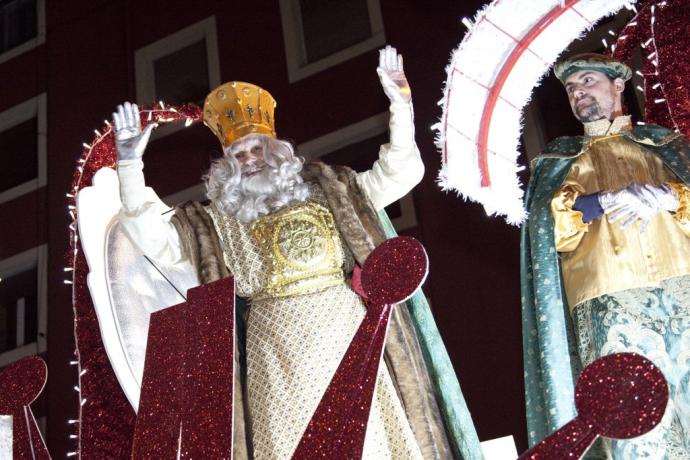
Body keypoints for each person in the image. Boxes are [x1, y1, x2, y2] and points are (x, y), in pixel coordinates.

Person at [113, 46, 481, 460]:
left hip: (345, 331)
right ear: (226, 167)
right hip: (273, 353)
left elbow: (402, 173)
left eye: (257, 150)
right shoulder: (213, 222)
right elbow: (152, 238)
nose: (250, 161)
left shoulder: (329, 189)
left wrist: (400, 106)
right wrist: (129, 164)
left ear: (277, 153)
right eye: (239, 155)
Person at [521, 53, 690, 458]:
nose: (578, 91)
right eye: (571, 88)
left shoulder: (667, 145)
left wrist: (671, 196)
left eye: (588, 80)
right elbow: (545, 231)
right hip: (610, 304)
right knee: (636, 432)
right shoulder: (556, 163)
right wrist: (601, 201)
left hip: (685, 288)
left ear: (618, 85)